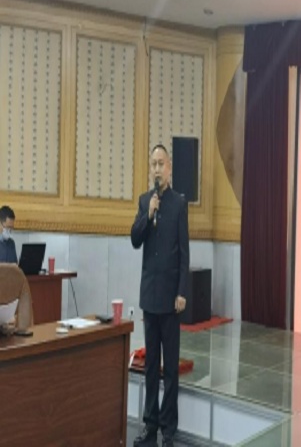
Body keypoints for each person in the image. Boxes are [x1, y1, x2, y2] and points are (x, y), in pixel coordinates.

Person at [131, 144, 189, 447]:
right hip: (149, 296)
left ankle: (168, 430)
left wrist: (182, 291)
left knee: (171, 369)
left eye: (160, 163)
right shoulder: (145, 201)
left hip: (170, 298)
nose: (156, 169)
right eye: (153, 164)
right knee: (151, 366)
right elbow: (135, 239)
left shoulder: (179, 203)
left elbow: (184, 253)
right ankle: (150, 425)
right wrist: (148, 214)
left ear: (169, 168)